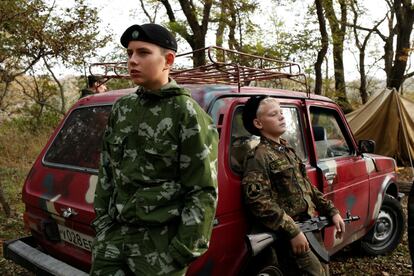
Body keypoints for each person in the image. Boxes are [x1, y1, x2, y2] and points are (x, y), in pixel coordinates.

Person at [90, 23, 219, 275]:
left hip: (159, 245)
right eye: (129, 54)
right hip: (113, 239)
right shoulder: (122, 107)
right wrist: (103, 223)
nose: (132, 61)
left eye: (143, 53)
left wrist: (182, 251)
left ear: (168, 60)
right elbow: (107, 170)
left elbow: (202, 190)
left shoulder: (187, 113)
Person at [241, 96, 345, 276]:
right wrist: (292, 231)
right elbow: (258, 201)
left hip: (310, 229)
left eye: (281, 112)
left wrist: (332, 211)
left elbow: (307, 187)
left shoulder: (286, 150)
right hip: (290, 236)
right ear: (258, 123)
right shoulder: (258, 157)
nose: (281, 117)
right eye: (274, 114)